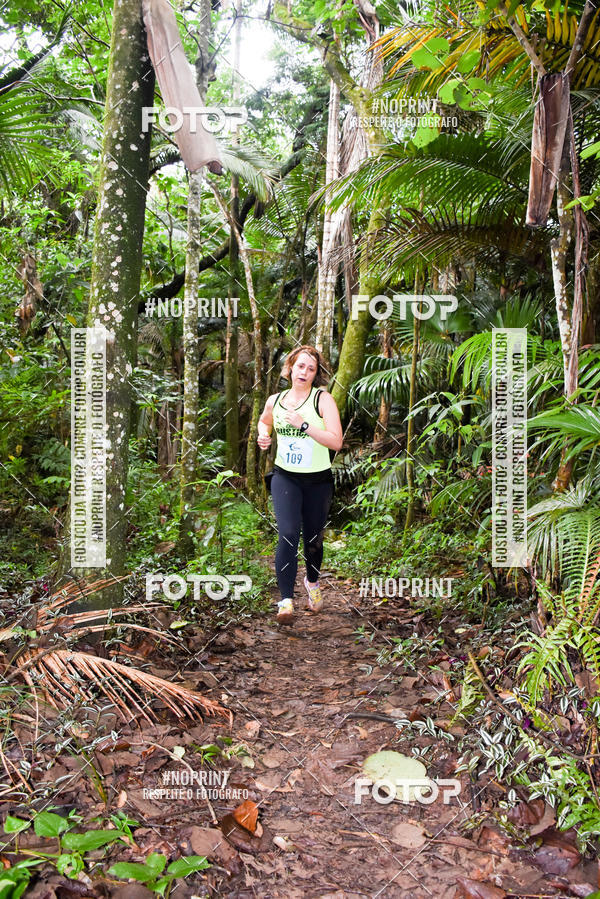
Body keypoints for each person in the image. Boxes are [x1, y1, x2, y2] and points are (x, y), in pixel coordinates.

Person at [257, 346, 343, 624]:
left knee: (313, 539)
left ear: (316, 374)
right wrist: (263, 436)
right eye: (300, 366)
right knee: (288, 533)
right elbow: (264, 422)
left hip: (318, 481)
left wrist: (304, 425)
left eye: (311, 368)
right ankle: (285, 601)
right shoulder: (275, 400)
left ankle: (312, 582)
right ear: (290, 367)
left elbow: (336, 442)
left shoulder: (323, 400)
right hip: (285, 477)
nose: (304, 372)